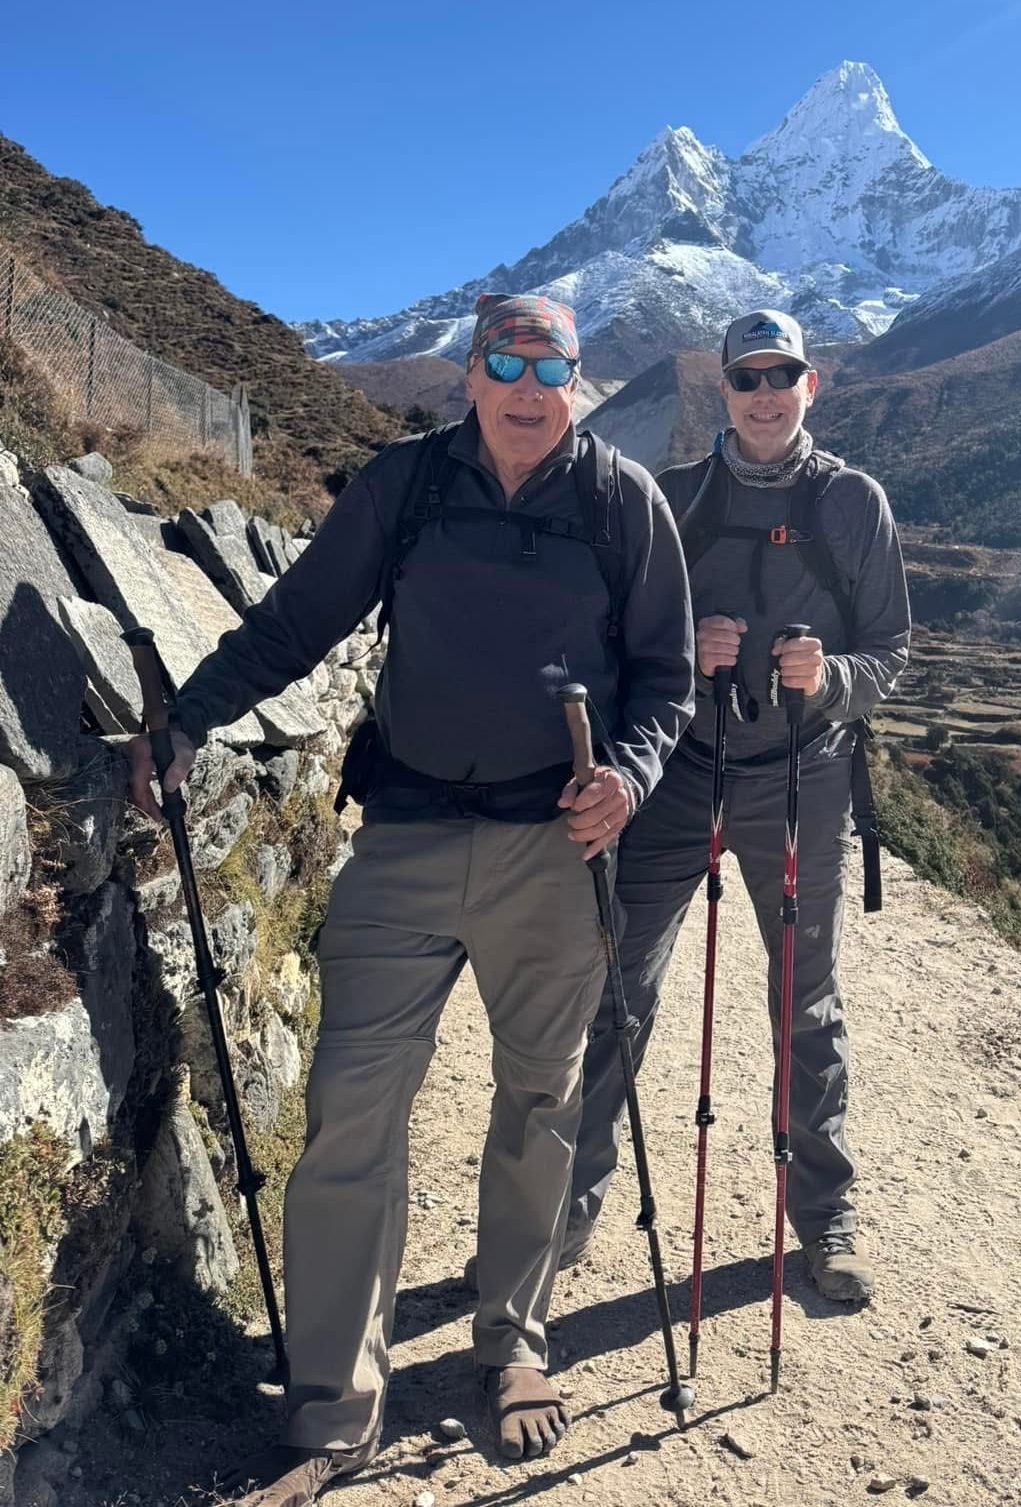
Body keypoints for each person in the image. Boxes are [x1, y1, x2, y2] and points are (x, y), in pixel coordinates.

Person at [127, 294, 694, 1503]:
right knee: (350, 1109)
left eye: (551, 366)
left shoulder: (621, 502)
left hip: (555, 847)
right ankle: (333, 1404)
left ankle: (515, 1342)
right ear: (468, 373)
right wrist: (189, 717)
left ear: (580, 379)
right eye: (506, 364)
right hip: (407, 835)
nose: (528, 389)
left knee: (540, 1102)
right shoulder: (407, 486)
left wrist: (631, 777)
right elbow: (295, 622)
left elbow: (666, 676)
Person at [566, 308, 910, 1303]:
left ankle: (825, 1217)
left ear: (811, 385)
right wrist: (683, 651)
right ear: (723, 389)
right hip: (680, 768)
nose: (765, 394)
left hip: (805, 774)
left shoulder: (852, 502)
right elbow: (614, 638)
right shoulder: (673, 500)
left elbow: (889, 650)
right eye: (747, 377)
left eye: (781, 375)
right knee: (620, 984)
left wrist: (829, 677)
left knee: (805, 997)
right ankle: (567, 1204)